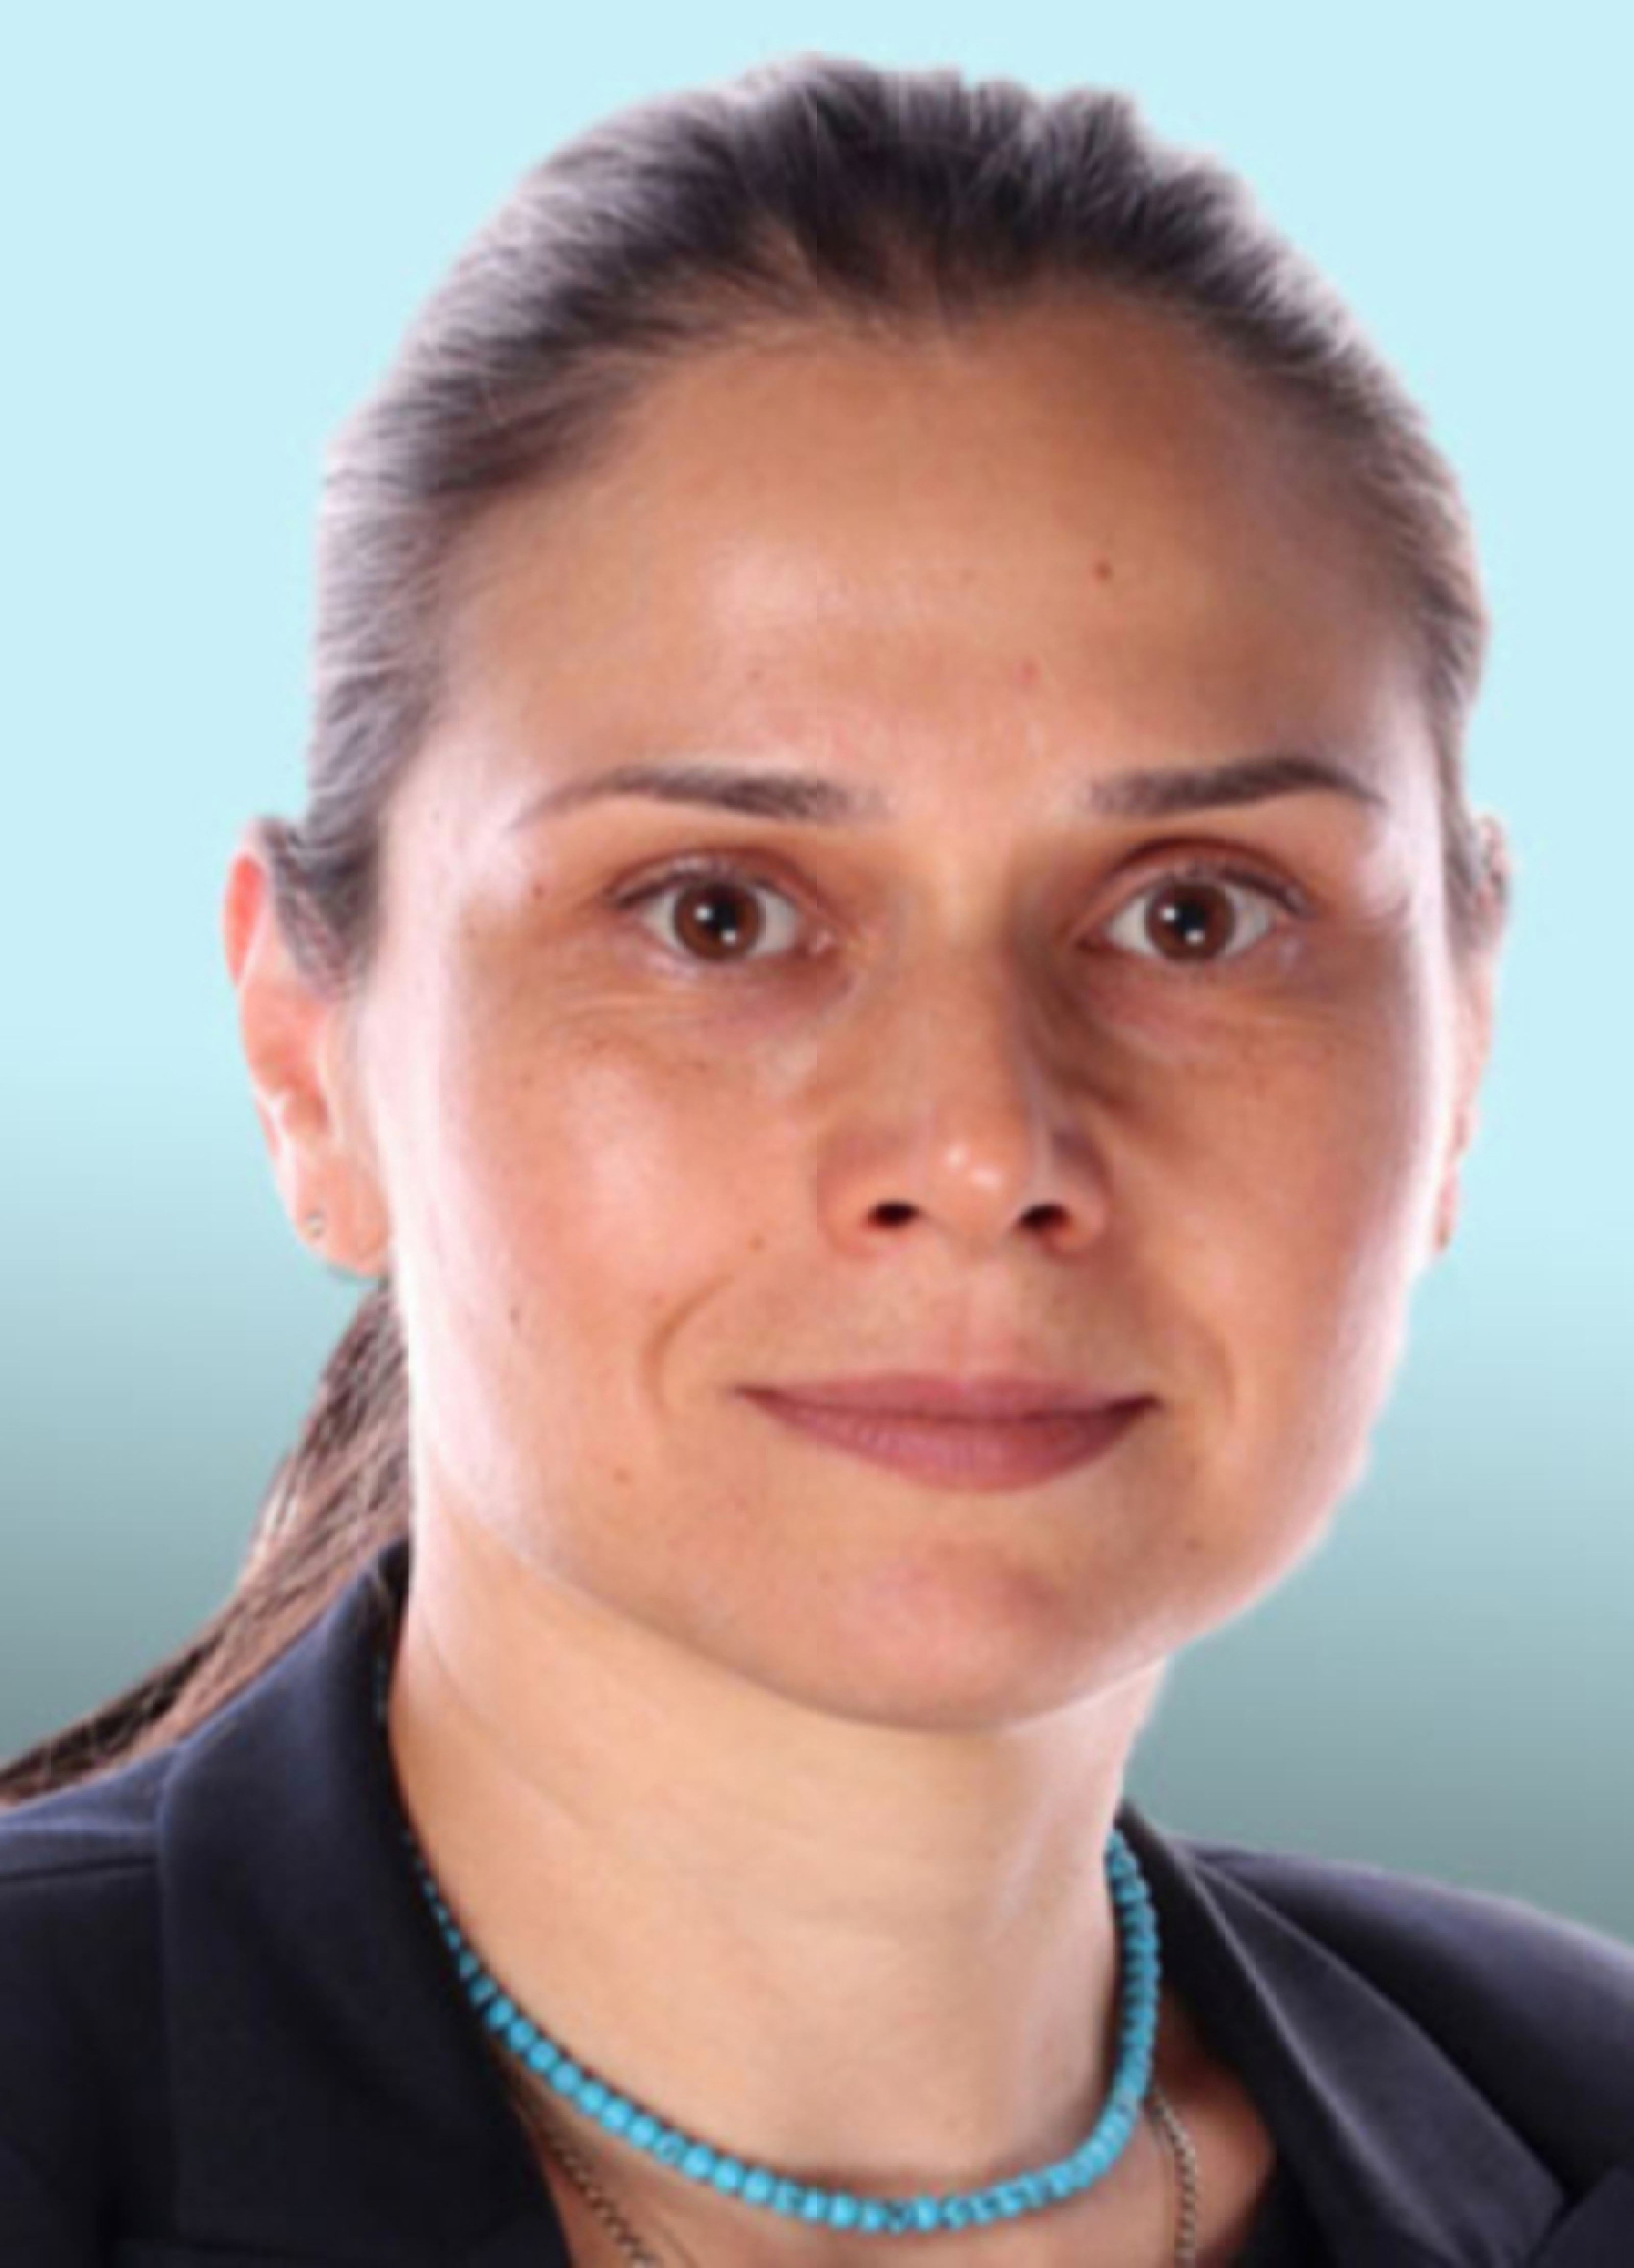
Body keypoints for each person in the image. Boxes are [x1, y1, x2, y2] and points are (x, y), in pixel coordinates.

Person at [1, 51, 1629, 2268]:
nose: (980, 1147)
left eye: (1191, 914)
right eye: (716, 915)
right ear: (311, 1063)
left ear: (1462, 1056)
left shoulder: (1582, 2111)